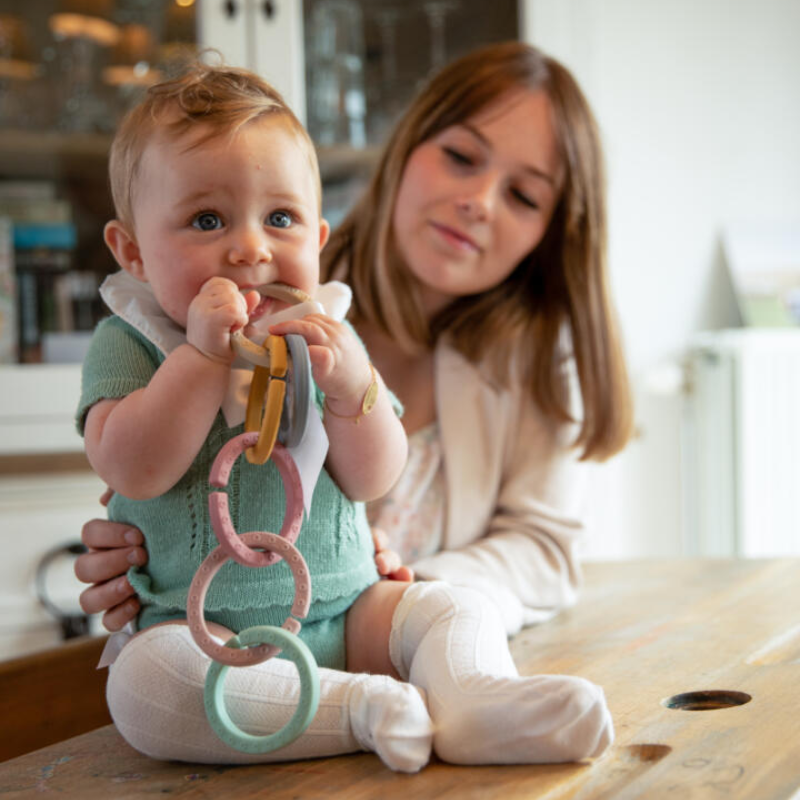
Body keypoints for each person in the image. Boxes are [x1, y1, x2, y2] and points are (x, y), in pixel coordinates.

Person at [77, 59, 615, 772]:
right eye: (207, 220)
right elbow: (133, 467)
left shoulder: (333, 333)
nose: (250, 247)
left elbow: (376, 477)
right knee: (145, 685)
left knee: (455, 608)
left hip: (354, 612)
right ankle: (365, 710)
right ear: (133, 253)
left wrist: (353, 384)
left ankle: (477, 698)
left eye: (280, 219)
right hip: (204, 631)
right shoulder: (137, 340)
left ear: (317, 234)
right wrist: (201, 361)